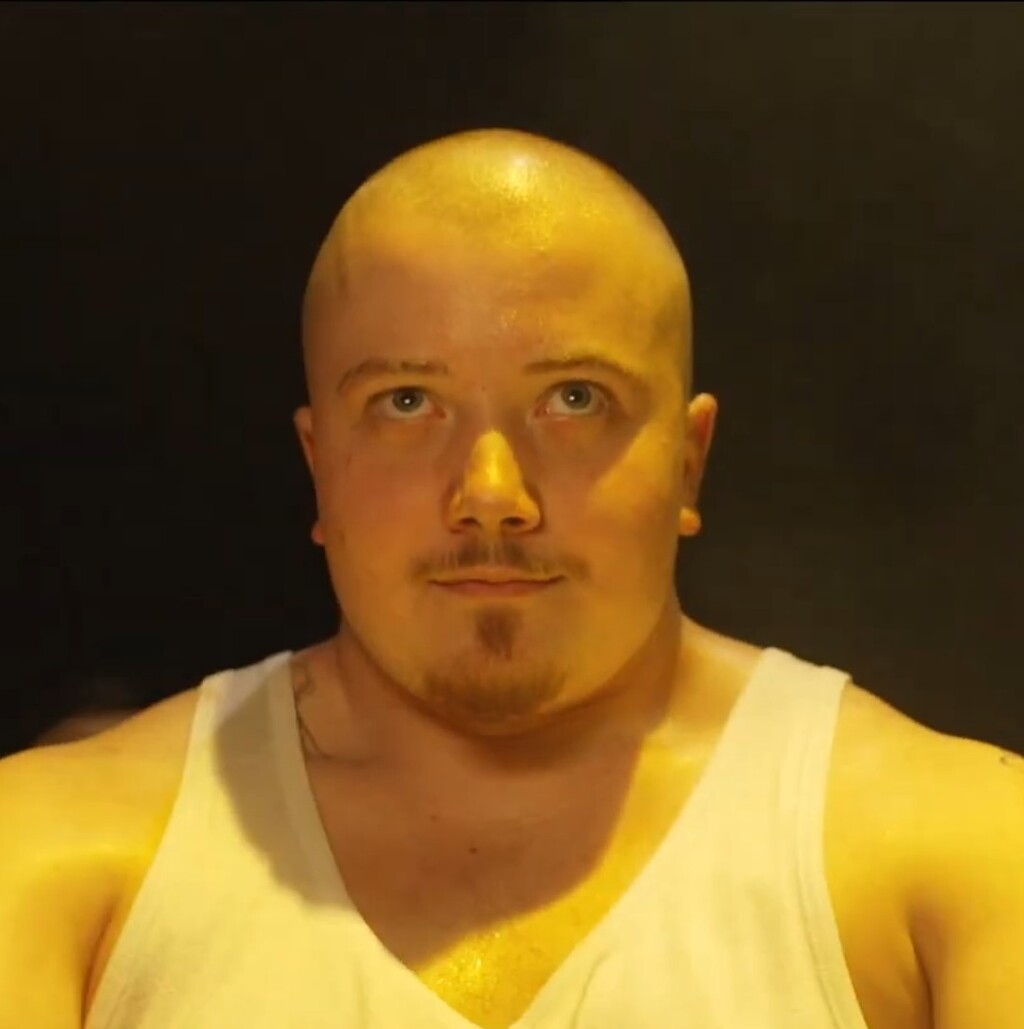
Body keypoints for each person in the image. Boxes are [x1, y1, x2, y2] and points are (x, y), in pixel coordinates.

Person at [1, 129, 1020, 1029]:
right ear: (319, 467)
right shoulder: (53, 854)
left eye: (574, 399)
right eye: (407, 402)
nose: (491, 494)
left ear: (687, 461)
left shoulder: (963, 852)